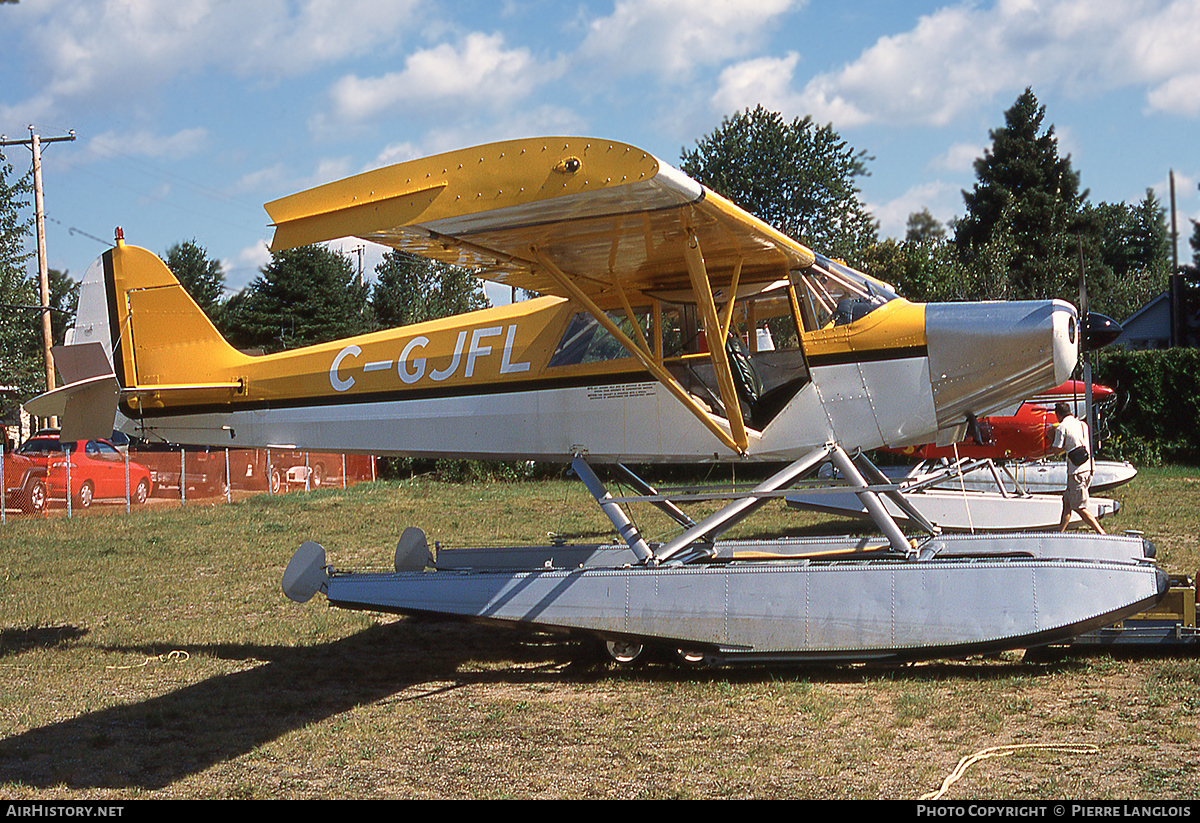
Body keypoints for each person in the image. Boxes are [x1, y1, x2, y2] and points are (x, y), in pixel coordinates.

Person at [1050, 401, 1105, 534]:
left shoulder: (1062, 427)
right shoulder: (1082, 424)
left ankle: (1101, 532)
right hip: (1089, 466)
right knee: (1067, 502)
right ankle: (1060, 533)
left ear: (1058, 414)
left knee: (1079, 506)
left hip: (1076, 471)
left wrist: (1051, 437)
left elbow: (1056, 450)